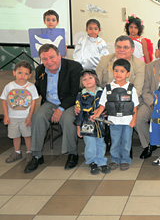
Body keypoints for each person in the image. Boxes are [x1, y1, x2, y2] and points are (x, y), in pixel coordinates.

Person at [24, 44, 83, 173]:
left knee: (68, 119)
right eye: (44, 59)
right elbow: (38, 90)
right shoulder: (40, 70)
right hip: (50, 102)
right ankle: (37, 155)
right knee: (38, 117)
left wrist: (61, 109)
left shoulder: (74, 67)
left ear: (59, 55)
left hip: (69, 102)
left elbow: (75, 92)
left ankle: (72, 154)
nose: (49, 62)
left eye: (52, 57)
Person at [92, 59, 139, 171]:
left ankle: (125, 159)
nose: (118, 73)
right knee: (115, 141)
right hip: (113, 121)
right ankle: (114, 159)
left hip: (127, 121)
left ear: (128, 74)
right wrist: (96, 115)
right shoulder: (108, 88)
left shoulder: (131, 88)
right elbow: (102, 105)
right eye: (116, 70)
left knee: (126, 142)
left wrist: (134, 120)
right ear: (112, 72)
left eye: (122, 71)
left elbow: (135, 107)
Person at [1, 61, 39, 163]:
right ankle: (17, 152)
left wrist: (29, 117)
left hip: (25, 117)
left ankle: (29, 152)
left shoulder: (31, 87)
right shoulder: (9, 86)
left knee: (27, 135)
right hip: (12, 117)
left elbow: (33, 103)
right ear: (14, 73)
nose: (23, 76)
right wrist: (6, 116)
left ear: (30, 75)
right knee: (15, 135)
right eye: (20, 73)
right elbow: (4, 101)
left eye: (26, 74)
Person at [74, 69, 110, 175]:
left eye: (90, 78)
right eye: (84, 79)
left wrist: (105, 112)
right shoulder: (81, 96)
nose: (88, 81)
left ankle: (101, 161)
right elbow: (79, 112)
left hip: (100, 123)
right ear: (81, 82)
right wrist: (78, 127)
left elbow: (108, 106)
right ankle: (92, 162)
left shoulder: (103, 92)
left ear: (96, 79)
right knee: (90, 144)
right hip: (86, 124)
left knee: (101, 143)